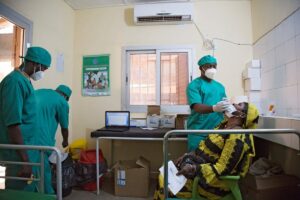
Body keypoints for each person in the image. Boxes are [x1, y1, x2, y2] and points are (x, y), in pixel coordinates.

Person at [154, 102, 259, 200]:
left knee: (164, 183)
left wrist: (194, 168)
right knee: (163, 173)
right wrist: (188, 155)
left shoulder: (238, 136)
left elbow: (222, 169)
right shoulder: (223, 126)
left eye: (239, 105)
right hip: (200, 169)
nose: (234, 104)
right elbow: (204, 147)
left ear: (242, 115)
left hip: (212, 183)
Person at [0, 46, 51, 191]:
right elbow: (12, 124)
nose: (44, 72)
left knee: (30, 189)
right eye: (44, 68)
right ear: (35, 64)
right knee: (19, 192)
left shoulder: (25, 81)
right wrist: (25, 161)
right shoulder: (14, 82)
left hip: (29, 148)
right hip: (19, 154)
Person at [186, 55, 229, 151]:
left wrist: (229, 108)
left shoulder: (220, 86)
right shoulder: (194, 85)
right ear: (201, 68)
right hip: (198, 132)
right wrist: (214, 108)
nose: (212, 69)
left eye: (214, 66)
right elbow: (196, 107)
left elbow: (224, 105)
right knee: (195, 162)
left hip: (216, 133)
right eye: (208, 66)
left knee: (214, 163)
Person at [35, 84, 72, 194]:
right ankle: (48, 194)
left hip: (23, 136)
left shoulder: (40, 91)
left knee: (27, 168)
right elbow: (64, 127)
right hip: (42, 140)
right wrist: (65, 141)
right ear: (66, 97)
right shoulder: (62, 102)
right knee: (43, 169)